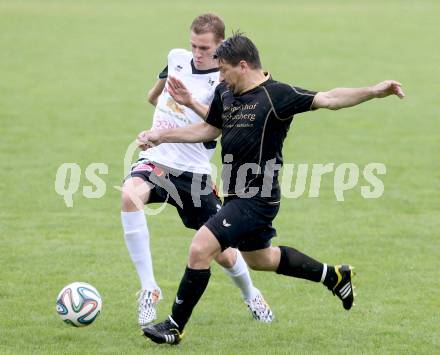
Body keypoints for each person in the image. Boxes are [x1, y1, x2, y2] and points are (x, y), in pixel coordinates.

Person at [138, 33, 405, 344]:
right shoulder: (226, 91)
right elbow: (209, 129)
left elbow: (330, 98)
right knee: (259, 259)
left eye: (223, 70)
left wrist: (374, 91)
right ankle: (334, 276)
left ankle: (174, 325)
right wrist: (161, 135)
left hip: (258, 198)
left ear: (243, 65)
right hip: (235, 194)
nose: (220, 77)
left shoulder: (277, 95)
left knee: (201, 247)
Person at [121, 16, 274, 328]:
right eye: (193, 45)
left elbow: (215, 129)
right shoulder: (176, 58)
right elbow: (157, 93)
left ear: (220, 47)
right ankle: (149, 289)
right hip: (158, 160)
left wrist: (187, 102)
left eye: (204, 48)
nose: (197, 52)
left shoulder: (224, 83)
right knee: (129, 196)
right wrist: (158, 114)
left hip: (194, 174)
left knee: (225, 254)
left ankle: (250, 293)